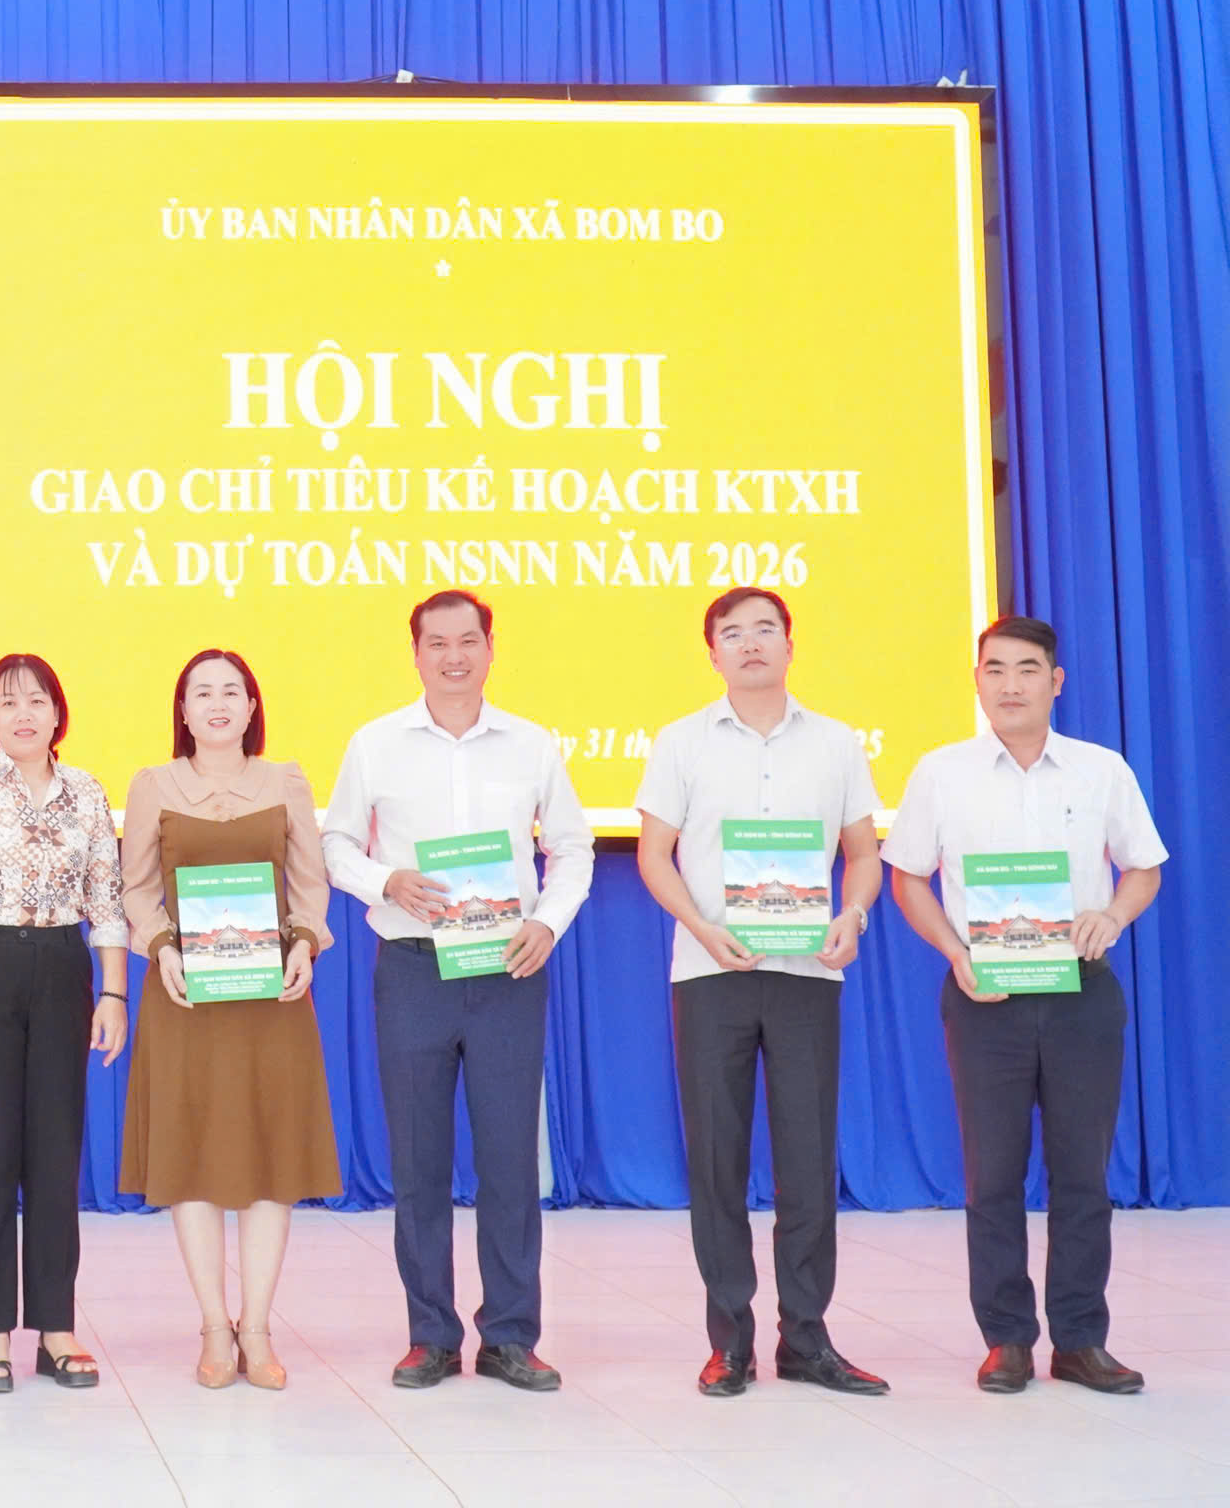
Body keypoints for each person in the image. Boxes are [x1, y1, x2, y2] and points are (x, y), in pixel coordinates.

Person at [884, 615, 1165, 1396]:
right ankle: (1005, 1339)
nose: (1010, 685)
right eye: (995, 669)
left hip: (1081, 993)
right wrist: (955, 952)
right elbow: (908, 878)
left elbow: (1144, 867)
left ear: (1055, 680)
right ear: (977, 681)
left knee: (1083, 1176)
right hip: (986, 996)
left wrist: (1114, 914)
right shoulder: (941, 772)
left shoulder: (1100, 770)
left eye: (1027, 669)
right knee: (992, 1177)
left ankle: (1080, 1340)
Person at [321, 590, 590, 1393]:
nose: (453, 656)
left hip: (508, 968)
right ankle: (430, 1336)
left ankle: (510, 1336)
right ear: (415, 654)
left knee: (509, 1162)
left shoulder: (532, 744)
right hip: (414, 968)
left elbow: (572, 848)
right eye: (436, 643)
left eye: (467, 641)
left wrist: (547, 922)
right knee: (419, 1161)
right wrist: (386, 880)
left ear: (490, 648)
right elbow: (336, 843)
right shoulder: (375, 743)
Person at [634, 589, 889, 1397]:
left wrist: (853, 914)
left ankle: (807, 1338)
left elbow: (863, 853)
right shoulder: (681, 742)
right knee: (716, 1161)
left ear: (790, 644)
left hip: (808, 972)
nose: (751, 644)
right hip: (712, 971)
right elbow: (653, 855)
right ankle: (730, 1342)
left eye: (765, 630)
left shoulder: (837, 743)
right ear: (712, 653)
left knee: (808, 1163)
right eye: (733, 633)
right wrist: (700, 927)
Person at [119, 648, 339, 1392]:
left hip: (271, 999)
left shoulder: (286, 782)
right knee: (192, 1160)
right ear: (183, 711)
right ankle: (215, 1327)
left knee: (271, 1161)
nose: (217, 703)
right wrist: (160, 947)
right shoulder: (153, 785)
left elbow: (310, 882)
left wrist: (305, 942)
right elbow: (135, 889)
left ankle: (258, 1327)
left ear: (251, 707)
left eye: (231, 692)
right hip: (186, 996)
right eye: (201, 692)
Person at [0, 654, 127, 1392]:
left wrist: (112, 994)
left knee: (55, 1155)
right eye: (7, 703)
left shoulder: (87, 792)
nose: (23, 714)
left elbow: (107, 902)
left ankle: (56, 1327)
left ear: (58, 713)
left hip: (63, 969)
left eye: (36, 700)